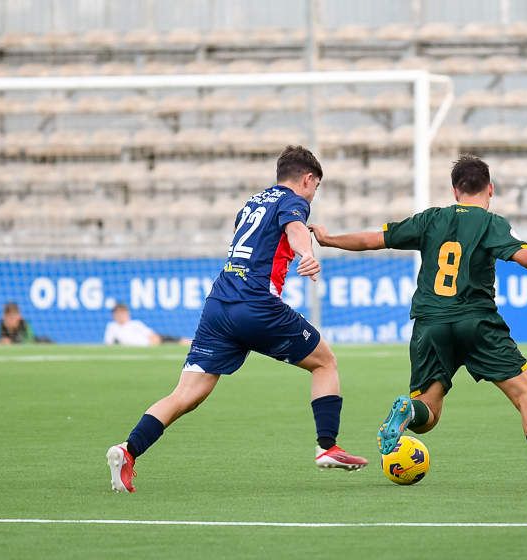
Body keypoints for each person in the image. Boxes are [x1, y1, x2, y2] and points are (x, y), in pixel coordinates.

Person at [309, 155, 527, 494]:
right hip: (476, 322)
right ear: (490, 189)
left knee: (428, 416)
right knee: (525, 393)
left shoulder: (431, 219)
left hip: (430, 324)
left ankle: (408, 411)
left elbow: (375, 239)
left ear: (455, 189)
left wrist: (329, 240)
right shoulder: (492, 223)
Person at [106, 145, 368, 493]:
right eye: (315, 188)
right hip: (256, 305)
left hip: (219, 306)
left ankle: (129, 450)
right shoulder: (294, 202)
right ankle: (327, 446)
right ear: (307, 179)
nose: (312, 196)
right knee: (325, 363)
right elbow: (294, 227)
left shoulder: (251, 203)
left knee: (186, 394)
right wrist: (307, 253)